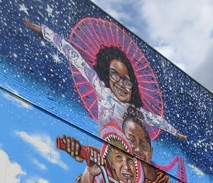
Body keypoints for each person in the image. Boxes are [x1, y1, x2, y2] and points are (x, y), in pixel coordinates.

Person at [24, 18, 187, 140]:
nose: (121, 84)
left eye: (126, 81)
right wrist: (46, 33)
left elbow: (158, 120)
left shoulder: (135, 111)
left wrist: (176, 133)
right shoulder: (101, 88)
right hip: (105, 147)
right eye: (115, 75)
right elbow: (75, 58)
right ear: (107, 77)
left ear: (133, 86)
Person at [122, 106, 178, 183]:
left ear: (151, 152)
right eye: (131, 141)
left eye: (143, 146)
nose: (137, 150)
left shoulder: (160, 179)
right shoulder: (118, 168)